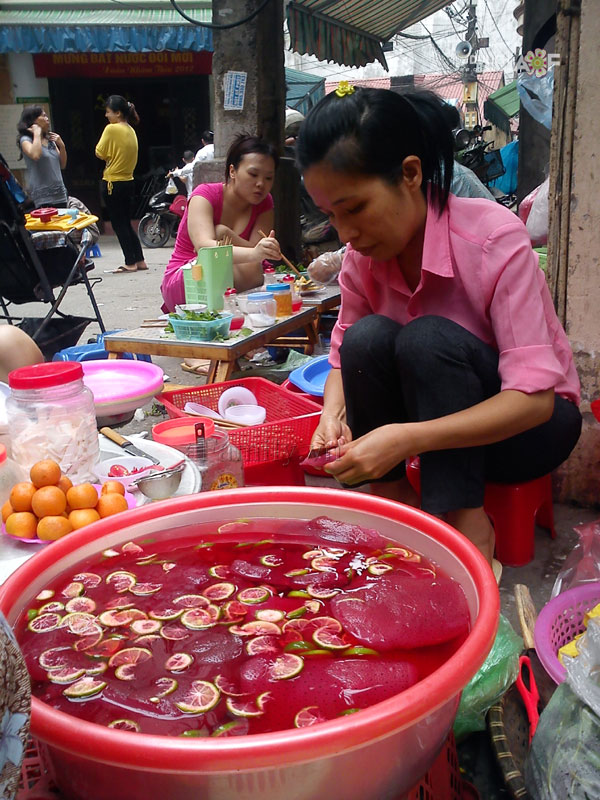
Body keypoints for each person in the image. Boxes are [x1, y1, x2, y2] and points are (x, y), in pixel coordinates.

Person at [295, 85, 582, 568]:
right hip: (433, 420)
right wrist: (332, 415)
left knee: (428, 337)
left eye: (355, 208)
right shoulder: (361, 260)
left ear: (410, 174)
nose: (345, 234)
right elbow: (345, 352)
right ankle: (391, 498)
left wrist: (408, 438)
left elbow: (533, 402)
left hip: (528, 432)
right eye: (330, 216)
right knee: (369, 339)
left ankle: (468, 524)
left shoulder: (493, 238)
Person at [160, 133, 281, 314]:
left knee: (252, 270)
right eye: (253, 174)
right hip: (189, 276)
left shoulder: (265, 203)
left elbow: (255, 258)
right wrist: (254, 253)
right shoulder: (204, 195)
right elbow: (205, 248)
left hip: (235, 280)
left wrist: (226, 234)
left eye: (269, 178)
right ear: (232, 171)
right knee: (221, 267)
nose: (260, 184)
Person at [95, 95, 147, 273]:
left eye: (108, 112)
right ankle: (139, 260)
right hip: (128, 181)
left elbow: (100, 152)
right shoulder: (130, 129)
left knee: (119, 224)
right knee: (126, 222)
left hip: (113, 182)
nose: (106, 116)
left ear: (117, 113)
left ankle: (130, 262)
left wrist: (110, 154)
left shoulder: (112, 129)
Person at [16, 105, 68, 208]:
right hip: (43, 198)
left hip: (60, 194)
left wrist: (62, 146)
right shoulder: (26, 140)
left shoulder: (50, 140)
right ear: (33, 120)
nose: (47, 119)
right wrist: (36, 133)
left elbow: (62, 165)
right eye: (43, 116)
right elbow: (35, 155)